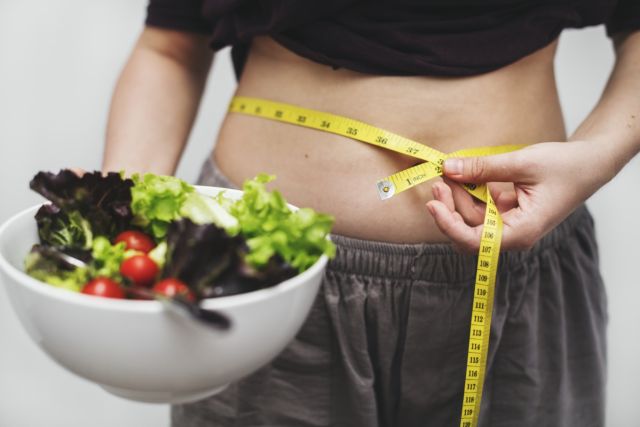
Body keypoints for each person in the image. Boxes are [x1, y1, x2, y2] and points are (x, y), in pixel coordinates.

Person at [102, 1, 640, 426]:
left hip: (517, 281)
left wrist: (598, 156)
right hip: (262, 283)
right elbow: (169, 45)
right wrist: (117, 227)